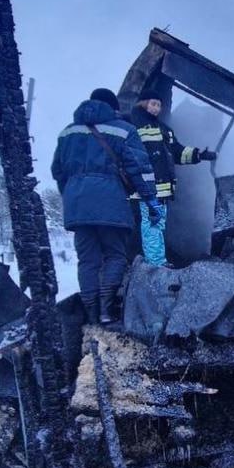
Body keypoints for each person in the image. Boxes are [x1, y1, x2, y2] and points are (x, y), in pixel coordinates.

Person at [51, 88, 163, 324]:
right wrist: (151, 200)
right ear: (114, 108)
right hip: (110, 202)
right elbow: (140, 169)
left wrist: (71, 195)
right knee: (115, 256)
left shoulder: (67, 132)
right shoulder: (124, 130)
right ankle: (106, 309)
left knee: (87, 260)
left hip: (77, 206)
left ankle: (91, 313)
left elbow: (57, 171)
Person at [130, 91, 217, 266]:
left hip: (162, 188)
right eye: (153, 104)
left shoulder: (164, 130)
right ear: (143, 104)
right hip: (148, 188)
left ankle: (158, 260)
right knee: (152, 224)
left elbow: (177, 152)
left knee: (158, 224)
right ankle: (155, 263)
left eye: (159, 105)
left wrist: (199, 155)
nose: (156, 108)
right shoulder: (134, 127)